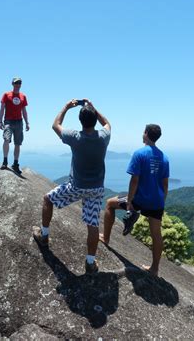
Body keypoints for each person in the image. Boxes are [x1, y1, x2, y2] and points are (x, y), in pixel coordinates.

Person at [33, 99, 111, 274]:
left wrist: (67, 107)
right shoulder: (103, 138)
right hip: (96, 189)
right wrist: (92, 106)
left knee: (47, 199)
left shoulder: (75, 137)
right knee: (92, 224)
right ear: (93, 119)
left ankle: (44, 236)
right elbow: (106, 123)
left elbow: (55, 125)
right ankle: (90, 263)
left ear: (81, 121)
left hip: (76, 187)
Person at [99, 124, 169, 277]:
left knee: (110, 204)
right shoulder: (164, 157)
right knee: (156, 233)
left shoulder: (139, 154)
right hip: (156, 202)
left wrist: (130, 202)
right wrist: (162, 201)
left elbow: (134, 180)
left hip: (139, 200)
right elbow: (165, 184)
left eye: (143, 131)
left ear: (146, 134)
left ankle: (105, 238)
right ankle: (155, 269)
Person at [0, 77, 30, 174]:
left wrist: (27, 122)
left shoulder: (23, 96)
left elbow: (24, 110)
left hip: (19, 122)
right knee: (6, 139)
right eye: (16, 83)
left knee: (18, 143)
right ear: (12, 84)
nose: (18, 85)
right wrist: (0, 121)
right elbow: (2, 109)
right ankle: (5, 161)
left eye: (19, 83)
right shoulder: (6, 95)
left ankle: (15, 164)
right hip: (8, 121)